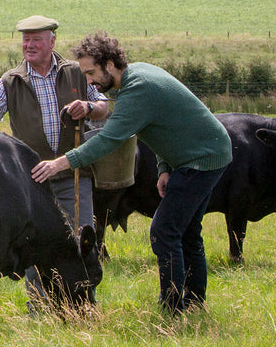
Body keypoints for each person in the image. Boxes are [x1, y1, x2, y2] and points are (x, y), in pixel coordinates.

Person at [32, 32, 231, 316]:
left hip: (201, 160)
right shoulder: (139, 75)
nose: (89, 81)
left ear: (109, 64)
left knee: (164, 231)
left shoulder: (137, 90)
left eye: (91, 73)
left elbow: (107, 139)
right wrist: (164, 168)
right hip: (208, 152)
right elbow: (164, 126)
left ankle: (173, 308)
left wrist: (60, 163)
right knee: (187, 231)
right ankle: (195, 302)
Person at [0, 15, 109, 304]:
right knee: (35, 243)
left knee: (82, 241)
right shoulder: (11, 80)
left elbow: (104, 107)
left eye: (36, 40)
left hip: (73, 175)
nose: (29, 45)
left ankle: (83, 303)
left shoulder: (75, 72)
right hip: (33, 183)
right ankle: (39, 307)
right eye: (25, 39)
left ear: (52, 42)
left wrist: (88, 106)